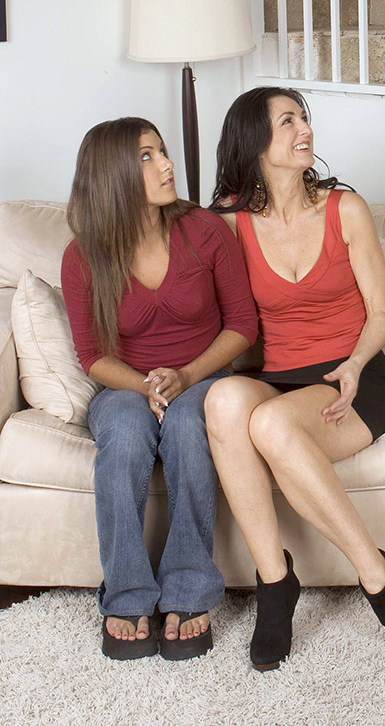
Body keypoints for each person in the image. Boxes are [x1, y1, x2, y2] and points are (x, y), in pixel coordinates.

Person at [204, 87, 385, 672]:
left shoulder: (344, 209)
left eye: (303, 117)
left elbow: (381, 312)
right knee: (226, 401)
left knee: (272, 425)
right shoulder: (230, 225)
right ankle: (275, 581)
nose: (304, 128)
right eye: (287, 121)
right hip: (281, 379)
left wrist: (355, 363)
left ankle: (381, 579)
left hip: (356, 375)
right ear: (255, 142)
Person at [61, 117, 259, 660]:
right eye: (147, 156)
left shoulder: (204, 230)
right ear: (113, 174)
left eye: (163, 151)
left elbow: (243, 324)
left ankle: (189, 590)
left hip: (203, 377)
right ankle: (126, 596)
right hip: (125, 387)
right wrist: (145, 388)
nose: (168, 164)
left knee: (191, 425)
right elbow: (92, 356)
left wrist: (187, 377)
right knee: (125, 432)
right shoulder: (83, 256)